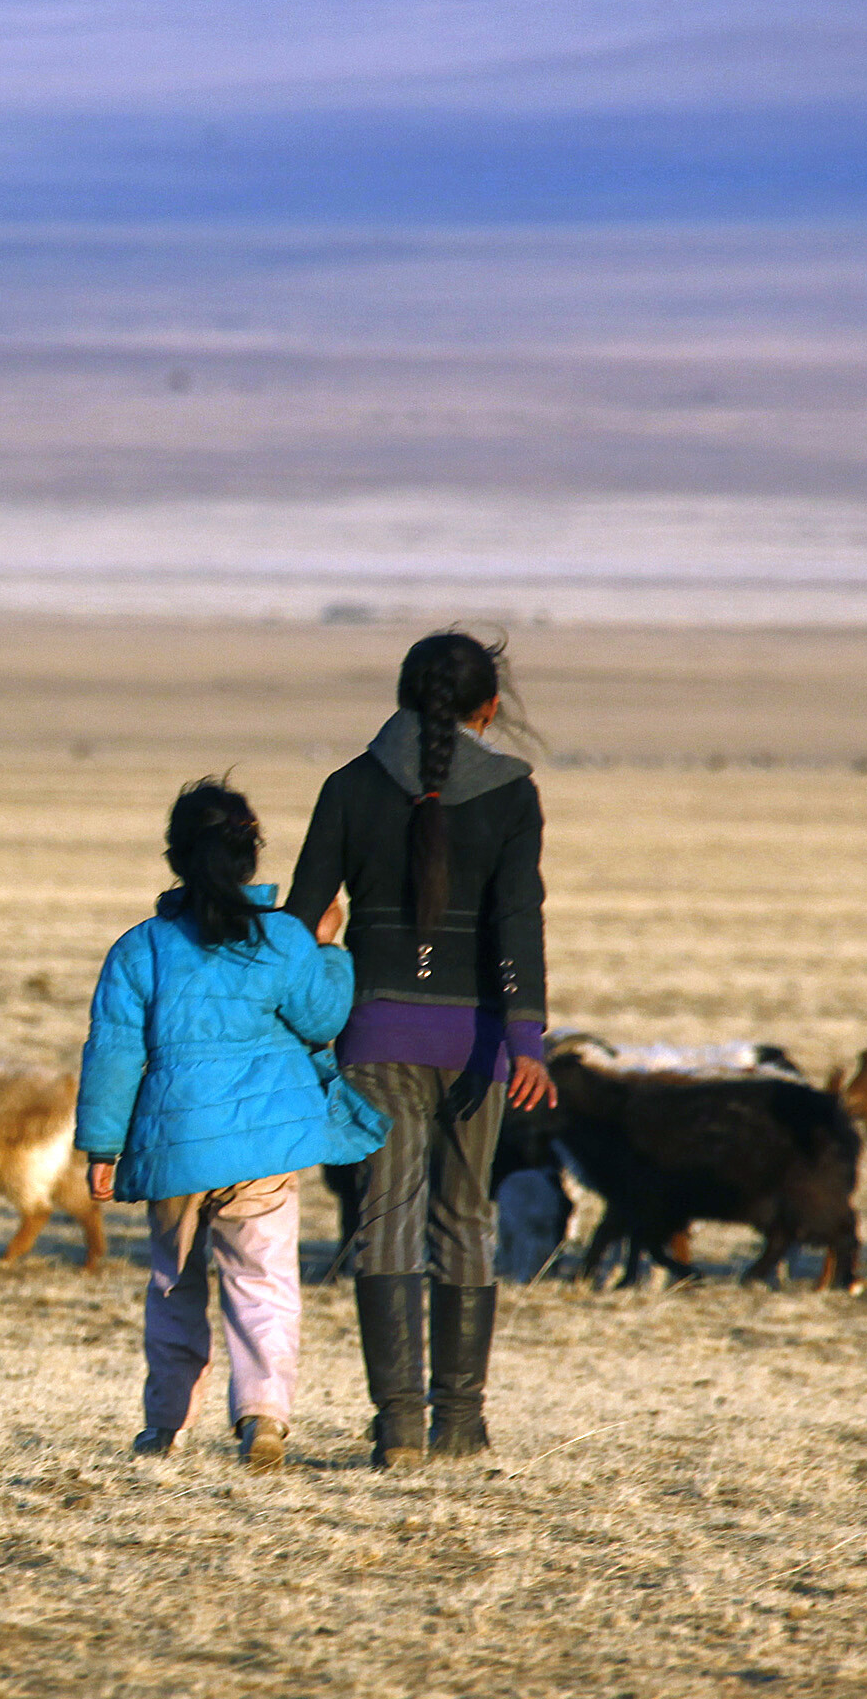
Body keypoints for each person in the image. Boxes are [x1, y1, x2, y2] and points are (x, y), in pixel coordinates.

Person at [283, 629, 554, 1467]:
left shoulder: (349, 785)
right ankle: (461, 1424)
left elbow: (303, 916)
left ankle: (398, 1425)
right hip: (475, 1045)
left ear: (403, 694)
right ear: (490, 708)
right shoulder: (513, 792)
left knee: (385, 1219)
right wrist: (528, 1041)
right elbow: (517, 921)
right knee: (466, 1217)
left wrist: (297, 1014)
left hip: (374, 1036)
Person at [76, 779, 387, 1470]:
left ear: (176, 858)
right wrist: (329, 949)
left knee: (172, 1285)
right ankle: (264, 1419)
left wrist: (102, 1146)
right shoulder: (283, 939)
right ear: (250, 857)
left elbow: (114, 1051)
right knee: (263, 1281)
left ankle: (165, 1428)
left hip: (171, 1153)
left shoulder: (140, 949)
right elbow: (324, 1019)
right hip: (263, 1150)